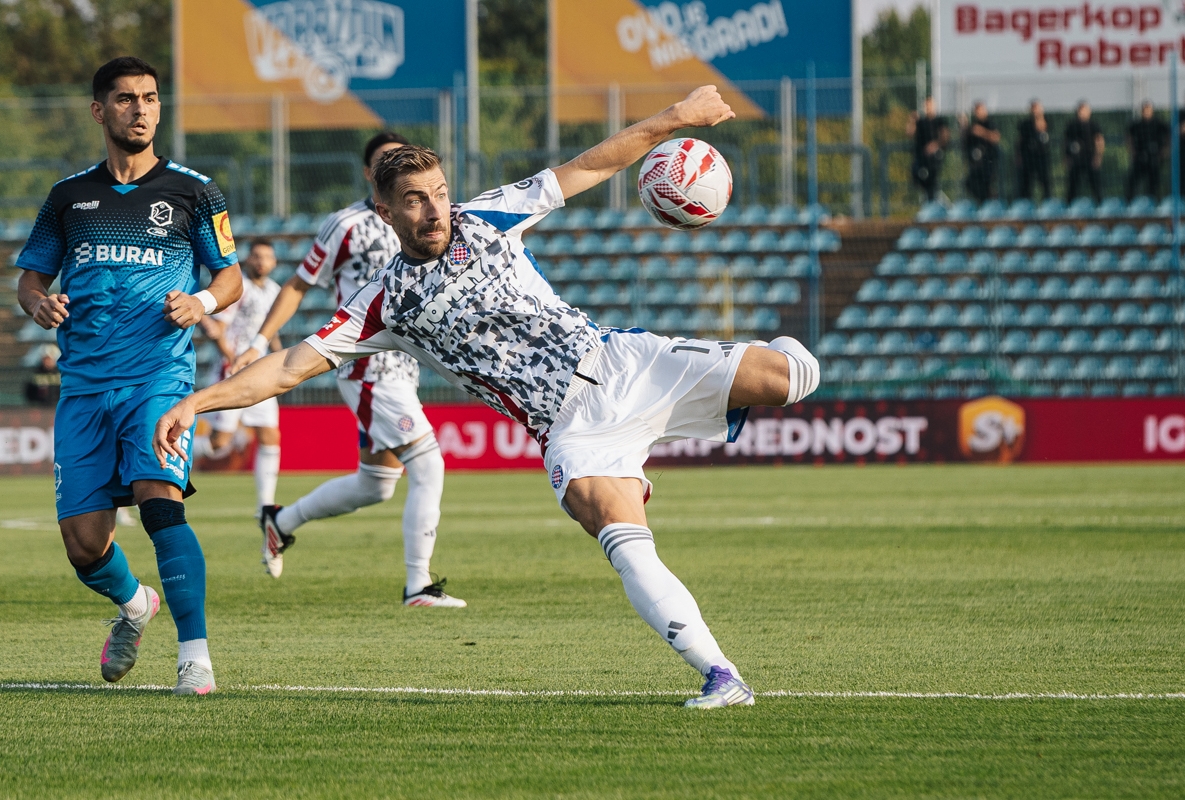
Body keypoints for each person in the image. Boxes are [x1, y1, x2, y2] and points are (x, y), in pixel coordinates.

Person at [156, 86, 818, 709]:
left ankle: (779, 355)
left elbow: (588, 167)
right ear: (385, 213)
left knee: (792, 378)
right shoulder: (383, 303)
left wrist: (675, 115)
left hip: (621, 362)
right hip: (569, 429)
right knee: (621, 536)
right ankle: (720, 674)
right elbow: (285, 369)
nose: (434, 208)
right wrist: (198, 402)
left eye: (439, 193)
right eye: (414, 199)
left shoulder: (490, 216)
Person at [15, 57, 242, 696]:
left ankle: (194, 658)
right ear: (100, 111)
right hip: (84, 385)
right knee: (85, 547)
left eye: (149, 98)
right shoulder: (68, 198)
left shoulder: (196, 192)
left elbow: (231, 277)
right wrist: (38, 304)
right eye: (125, 99)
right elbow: (31, 279)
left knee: (158, 500)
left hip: (158, 378)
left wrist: (203, 303)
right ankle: (137, 604)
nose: (140, 109)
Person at [229, 132, 462, 607]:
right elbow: (297, 284)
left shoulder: (428, 216)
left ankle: (280, 522)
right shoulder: (347, 224)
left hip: (406, 366)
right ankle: (418, 585)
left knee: (375, 485)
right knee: (429, 464)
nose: (397, 172)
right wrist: (257, 341)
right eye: (385, 165)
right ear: (369, 176)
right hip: (368, 364)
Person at [198, 238, 283, 514]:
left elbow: (272, 330)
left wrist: (282, 360)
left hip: (262, 370)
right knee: (219, 442)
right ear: (248, 260)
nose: (261, 261)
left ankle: (265, 505)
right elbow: (219, 328)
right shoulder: (239, 289)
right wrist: (232, 360)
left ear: (274, 263)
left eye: (266, 257)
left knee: (270, 436)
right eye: (256, 256)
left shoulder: (274, 291)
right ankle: (167, 452)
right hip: (232, 370)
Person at [908, 96, 948, 202]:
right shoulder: (920, 121)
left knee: (931, 179)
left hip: (933, 157)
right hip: (921, 157)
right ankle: (931, 198)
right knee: (918, 175)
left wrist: (936, 145)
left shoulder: (939, 120)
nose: (928, 107)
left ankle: (935, 199)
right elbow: (909, 133)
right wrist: (912, 121)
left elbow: (945, 136)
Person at [1127, 101, 1169, 201]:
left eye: (1148, 110)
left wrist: (1165, 151)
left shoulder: (1159, 123)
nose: (1146, 112)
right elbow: (1128, 136)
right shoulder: (1137, 125)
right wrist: (1132, 151)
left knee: (1153, 183)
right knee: (1132, 180)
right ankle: (1130, 202)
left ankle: (1153, 202)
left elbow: (1169, 136)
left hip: (1155, 158)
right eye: (1144, 110)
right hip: (1140, 157)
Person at [1064, 101, 1105, 202]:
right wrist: (1066, 156)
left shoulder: (1093, 125)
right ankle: (1069, 205)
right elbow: (1065, 142)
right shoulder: (1071, 126)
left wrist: (1098, 156)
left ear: (1088, 112)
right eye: (1079, 111)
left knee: (1095, 184)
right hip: (1076, 159)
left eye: (1083, 111)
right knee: (1073, 184)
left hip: (1090, 158)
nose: (1081, 113)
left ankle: (1099, 204)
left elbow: (1099, 141)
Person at [963, 102, 1000, 202]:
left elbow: (996, 137)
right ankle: (984, 202)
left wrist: (982, 132)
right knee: (970, 183)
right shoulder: (973, 125)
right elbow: (967, 142)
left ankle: (992, 202)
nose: (978, 113)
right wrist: (964, 127)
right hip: (976, 164)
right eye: (976, 111)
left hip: (988, 162)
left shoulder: (989, 123)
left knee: (988, 185)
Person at [1016, 100, 1053, 201]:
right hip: (1028, 157)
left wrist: (1038, 116)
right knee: (1026, 183)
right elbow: (1020, 141)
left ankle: (1047, 202)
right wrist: (1019, 156)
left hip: (1041, 156)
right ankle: (1026, 203)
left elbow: (1041, 127)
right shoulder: (1025, 124)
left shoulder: (1046, 120)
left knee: (1045, 182)